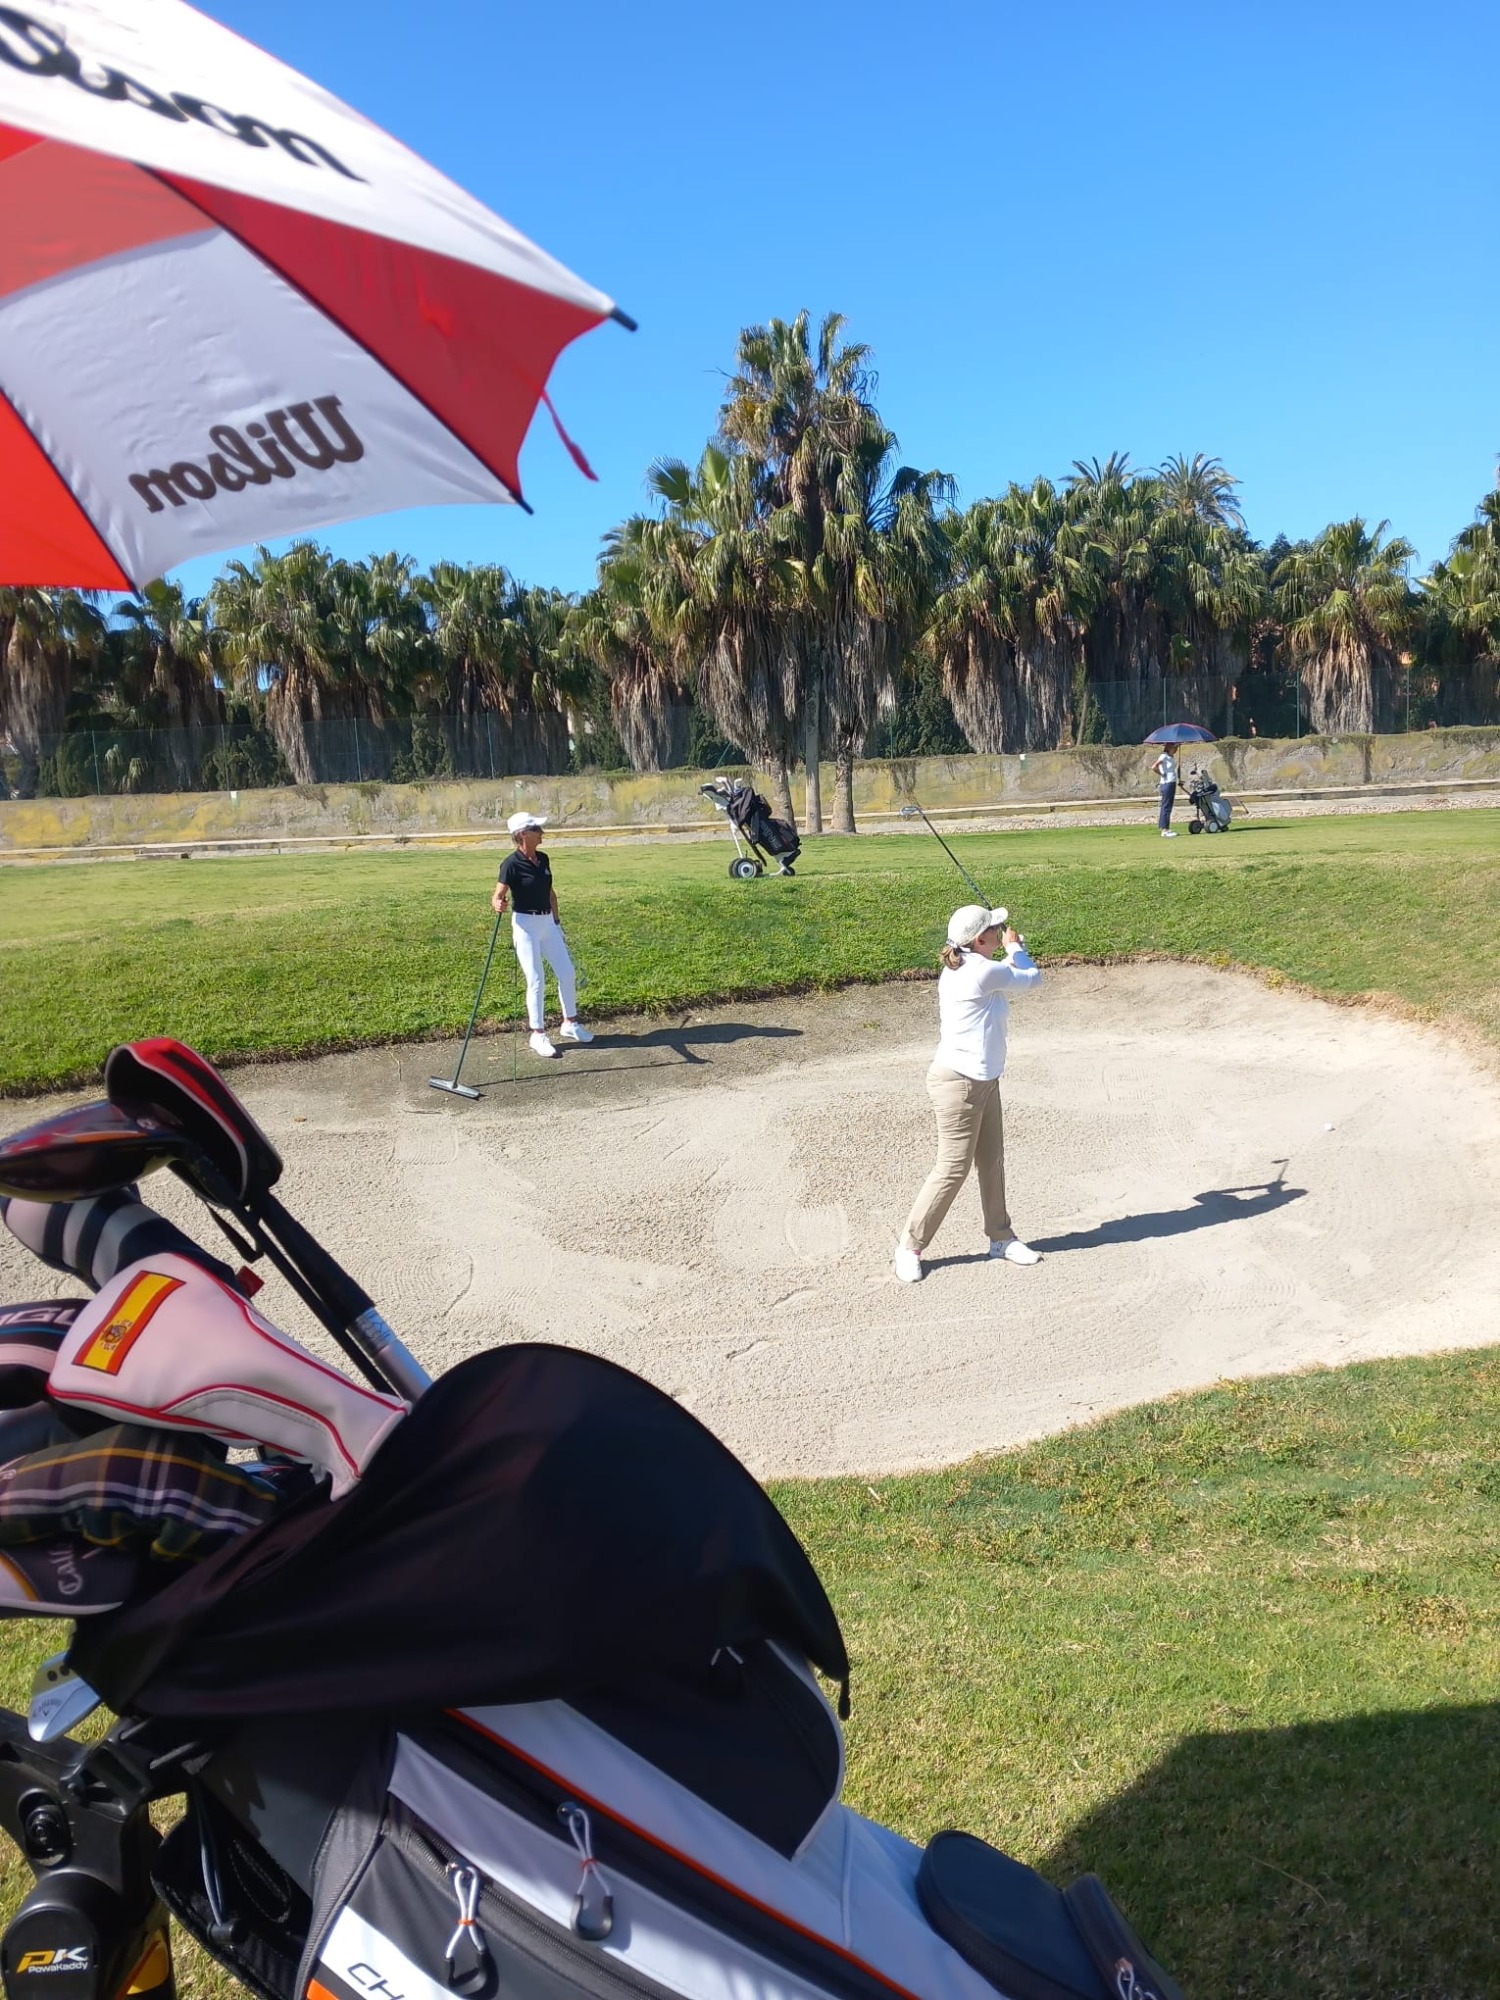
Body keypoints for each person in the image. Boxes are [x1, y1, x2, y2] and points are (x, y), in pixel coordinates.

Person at [895, 905, 1042, 1284]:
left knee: (991, 1161)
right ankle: (910, 1246)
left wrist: (1007, 951)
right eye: (995, 927)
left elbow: (1003, 976)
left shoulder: (968, 964)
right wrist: (1016, 948)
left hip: (985, 1080)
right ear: (980, 940)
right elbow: (1032, 978)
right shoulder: (981, 970)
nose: (1000, 929)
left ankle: (1001, 1237)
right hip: (958, 1084)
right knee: (952, 1168)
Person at [491, 811, 592, 1059]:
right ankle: (537, 1034)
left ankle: (570, 1023)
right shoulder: (511, 864)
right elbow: (497, 896)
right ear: (522, 834)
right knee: (536, 980)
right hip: (525, 926)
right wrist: (498, 904)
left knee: (567, 972)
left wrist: (557, 923)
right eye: (536, 829)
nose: (541, 833)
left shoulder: (544, 859)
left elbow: (550, 893)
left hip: (548, 923)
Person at [1152, 746, 1178, 837]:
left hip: (1172, 782)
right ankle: (1164, 830)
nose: (1176, 749)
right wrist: (1162, 774)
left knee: (1168, 806)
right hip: (1167, 783)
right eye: (1174, 747)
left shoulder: (1171, 757)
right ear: (1169, 747)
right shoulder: (1164, 756)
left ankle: (1165, 827)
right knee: (1166, 806)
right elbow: (1154, 767)